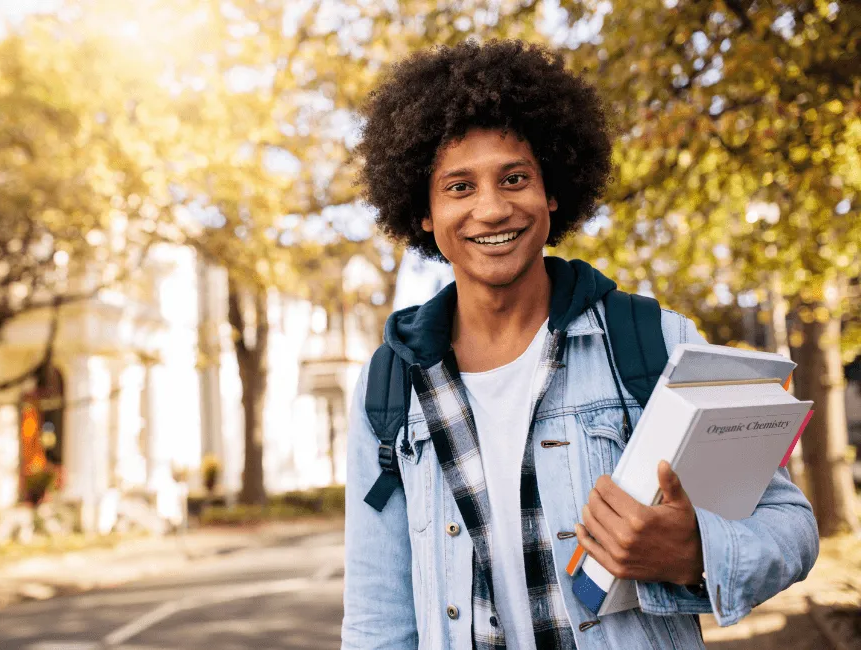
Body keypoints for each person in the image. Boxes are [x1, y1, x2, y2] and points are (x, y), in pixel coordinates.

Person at [340, 39, 819, 650]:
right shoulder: (391, 384)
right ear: (424, 212)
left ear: (552, 192)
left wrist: (696, 551)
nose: (491, 208)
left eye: (514, 178)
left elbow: (790, 525)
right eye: (459, 187)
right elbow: (378, 621)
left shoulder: (653, 342)